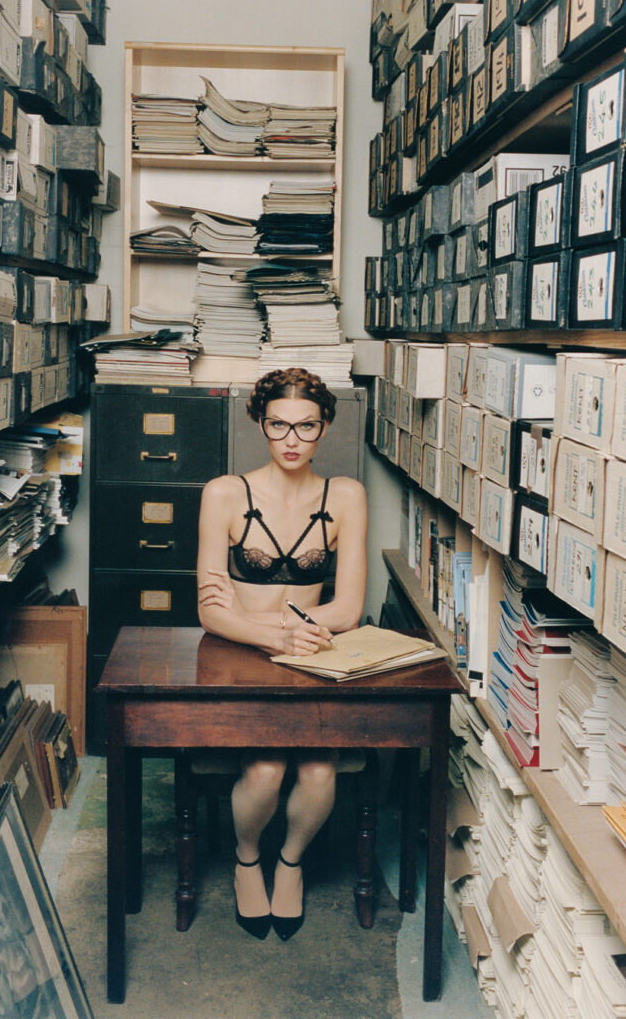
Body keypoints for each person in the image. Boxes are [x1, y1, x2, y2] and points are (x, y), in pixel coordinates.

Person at [196, 367, 367, 942]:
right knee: (266, 771)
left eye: (306, 426)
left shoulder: (345, 496)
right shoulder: (224, 493)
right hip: (246, 659)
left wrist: (256, 618)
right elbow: (209, 612)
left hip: (314, 658)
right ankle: (248, 858)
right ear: (259, 424)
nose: (292, 440)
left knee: (320, 774)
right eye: (279, 425)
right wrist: (269, 633)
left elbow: (348, 609)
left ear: (324, 428)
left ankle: (289, 861)